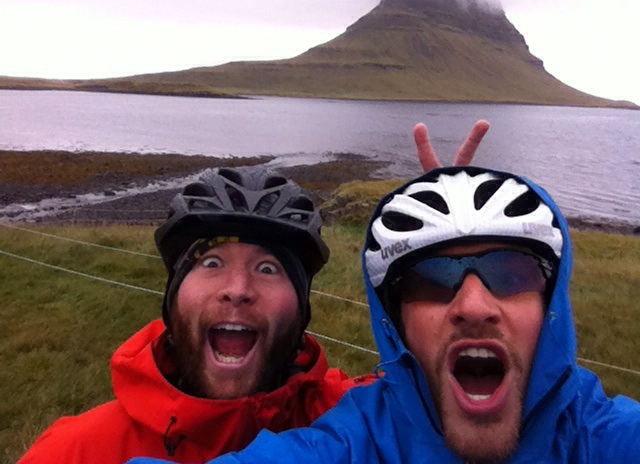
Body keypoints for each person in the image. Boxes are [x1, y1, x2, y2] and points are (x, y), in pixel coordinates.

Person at [19, 121, 488, 463]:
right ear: (173, 294)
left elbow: (468, 411)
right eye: (211, 263)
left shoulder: (358, 421)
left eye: (268, 268)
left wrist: (452, 241)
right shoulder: (74, 452)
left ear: (302, 307)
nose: (237, 290)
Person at [133, 164, 640, 464]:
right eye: (432, 279)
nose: (473, 306)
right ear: (396, 324)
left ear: (551, 307)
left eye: (510, 274)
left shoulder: (608, 438)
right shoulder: (354, 441)